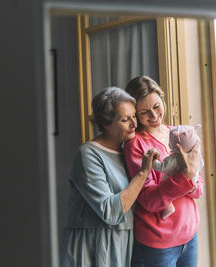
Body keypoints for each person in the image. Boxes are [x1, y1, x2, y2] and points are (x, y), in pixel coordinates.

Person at [59, 87, 159, 267]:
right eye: (125, 120)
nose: (134, 124)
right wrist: (143, 173)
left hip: (123, 243)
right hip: (92, 247)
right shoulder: (88, 155)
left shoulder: (127, 151)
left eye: (134, 116)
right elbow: (110, 212)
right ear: (106, 123)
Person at [124, 76, 204, 267]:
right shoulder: (136, 144)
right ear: (135, 115)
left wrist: (190, 178)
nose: (154, 116)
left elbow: (199, 188)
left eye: (157, 106)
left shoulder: (179, 134)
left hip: (190, 235)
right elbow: (148, 200)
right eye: (144, 112)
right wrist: (185, 177)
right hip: (158, 243)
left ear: (162, 99)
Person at [152, 124, 205, 219]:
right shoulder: (195, 156)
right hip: (192, 183)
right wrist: (193, 179)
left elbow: (160, 167)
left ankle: (168, 206)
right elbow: (201, 165)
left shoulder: (174, 158)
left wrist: (152, 161)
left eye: (156, 107)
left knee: (166, 186)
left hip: (189, 223)